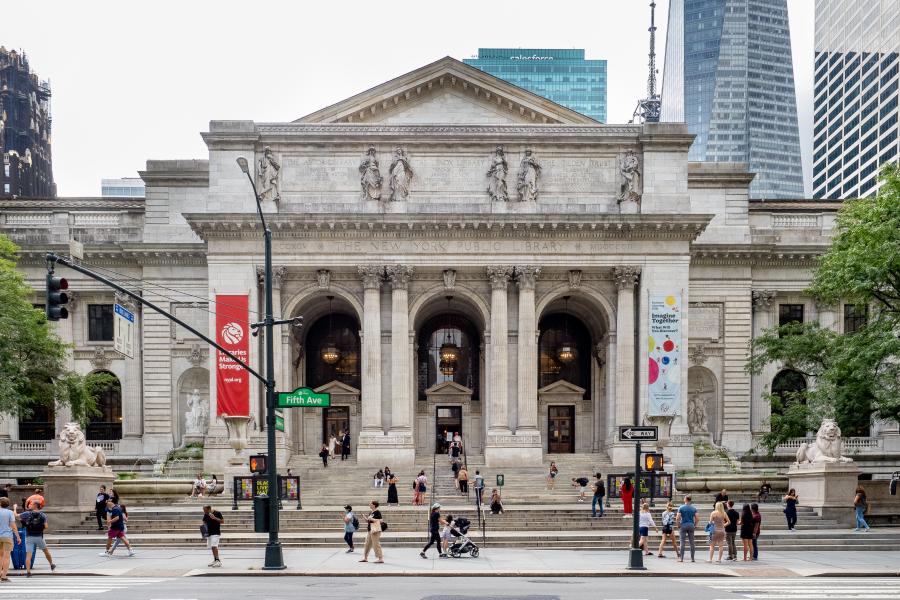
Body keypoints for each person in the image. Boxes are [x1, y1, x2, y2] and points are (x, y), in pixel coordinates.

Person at [17, 502, 56, 576]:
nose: (29, 505)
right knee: (46, 551)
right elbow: (46, 526)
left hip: (29, 537)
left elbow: (16, 516)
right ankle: (51, 564)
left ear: (35, 506)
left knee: (28, 555)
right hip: (39, 537)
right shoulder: (43, 515)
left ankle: (28, 572)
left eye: (31, 504)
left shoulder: (27, 514)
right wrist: (40, 529)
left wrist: (15, 508)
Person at [0, 498, 21, 582]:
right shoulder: (10, 513)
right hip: (7, 536)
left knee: (0, 556)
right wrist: (18, 537)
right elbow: (13, 526)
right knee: (6, 557)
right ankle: (4, 576)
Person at [676, 495, 698, 563]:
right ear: (690, 500)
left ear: (685, 499)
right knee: (692, 542)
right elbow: (697, 518)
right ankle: (692, 558)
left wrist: (678, 524)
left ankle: (681, 558)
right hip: (691, 525)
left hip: (683, 525)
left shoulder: (681, 508)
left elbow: (677, 518)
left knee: (682, 542)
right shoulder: (694, 508)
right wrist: (695, 525)